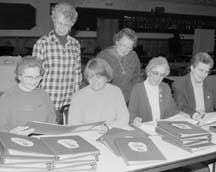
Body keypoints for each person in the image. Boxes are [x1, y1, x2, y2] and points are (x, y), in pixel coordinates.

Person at [32, 2, 82, 124]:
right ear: (53, 20)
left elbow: (77, 74)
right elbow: (35, 75)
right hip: (47, 102)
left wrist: (75, 99)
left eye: (66, 24)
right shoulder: (42, 43)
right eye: (59, 23)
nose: (62, 27)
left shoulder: (75, 44)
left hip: (67, 102)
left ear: (72, 24)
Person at [68, 58, 129, 132]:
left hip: (110, 133)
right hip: (86, 135)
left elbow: (124, 118)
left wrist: (107, 127)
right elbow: (72, 123)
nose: (94, 81)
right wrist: (92, 128)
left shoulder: (116, 91)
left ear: (106, 77)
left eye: (98, 77)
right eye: (91, 77)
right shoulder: (78, 96)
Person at [0, 56, 56, 135]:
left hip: (42, 140)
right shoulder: (7, 97)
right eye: (29, 77)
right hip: (15, 140)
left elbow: (52, 122)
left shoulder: (44, 95)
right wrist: (10, 132)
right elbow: (1, 127)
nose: (34, 81)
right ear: (19, 77)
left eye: (37, 77)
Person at [128, 56, 179, 126]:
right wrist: (134, 119)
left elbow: (172, 110)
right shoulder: (138, 88)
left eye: (162, 75)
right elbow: (131, 112)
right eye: (155, 73)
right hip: (144, 128)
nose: (158, 77)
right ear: (149, 72)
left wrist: (181, 114)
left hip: (163, 127)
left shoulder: (165, 87)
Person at [96, 28, 141, 104]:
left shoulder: (133, 56)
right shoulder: (103, 56)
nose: (125, 50)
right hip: (108, 99)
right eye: (123, 45)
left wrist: (133, 93)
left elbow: (137, 76)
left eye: (129, 47)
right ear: (117, 41)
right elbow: (97, 78)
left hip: (128, 99)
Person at [173, 52, 216, 124]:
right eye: (201, 70)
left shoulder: (211, 83)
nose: (203, 75)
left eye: (206, 72)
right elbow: (181, 106)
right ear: (192, 68)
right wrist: (195, 114)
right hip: (190, 122)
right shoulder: (179, 84)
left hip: (208, 122)